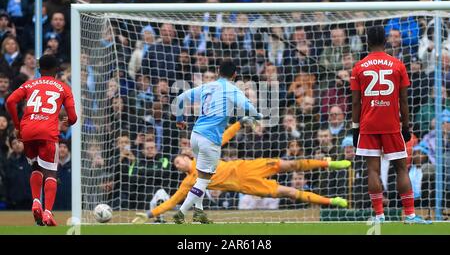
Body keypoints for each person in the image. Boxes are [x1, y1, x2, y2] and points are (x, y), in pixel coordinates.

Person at [131, 124, 351, 224]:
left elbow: (223, 137)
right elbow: (172, 202)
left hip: (248, 166)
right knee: (290, 192)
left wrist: (239, 123)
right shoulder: (189, 183)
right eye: (176, 165)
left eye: (179, 160)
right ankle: (332, 201)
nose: (178, 164)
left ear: (187, 156)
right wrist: (150, 214)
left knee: (290, 164)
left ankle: (329, 164)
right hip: (247, 186)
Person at [350, 26, 430, 225]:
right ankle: (410, 215)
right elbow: (404, 100)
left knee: (373, 171)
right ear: (385, 41)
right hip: (392, 124)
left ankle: (379, 215)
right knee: (401, 168)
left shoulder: (359, 67)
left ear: (367, 41)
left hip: (368, 124)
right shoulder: (398, 65)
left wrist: (355, 127)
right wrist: (405, 126)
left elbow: (355, 102)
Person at [173, 59, 262, 224]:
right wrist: (259, 117)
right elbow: (249, 107)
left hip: (195, 135)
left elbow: (179, 99)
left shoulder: (207, 86)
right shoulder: (231, 89)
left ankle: (198, 213)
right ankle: (181, 212)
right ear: (235, 75)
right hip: (210, 139)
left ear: (218, 71)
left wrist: (179, 118)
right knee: (204, 180)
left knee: (200, 177)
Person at [5, 54, 77, 226]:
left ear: (38, 69)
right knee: (51, 172)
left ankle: (36, 201)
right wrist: (68, 121)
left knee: (36, 167)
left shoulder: (30, 84)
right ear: (56, 70)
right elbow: (73, 117)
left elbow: (10, 101)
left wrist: (18, 125)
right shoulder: (63, 87)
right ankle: (47, 213)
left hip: (28, 130)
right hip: (47, 132)